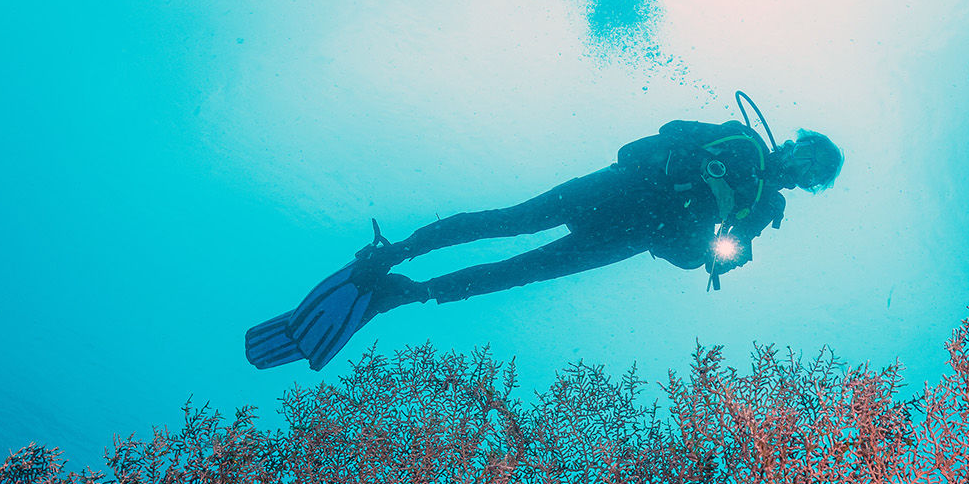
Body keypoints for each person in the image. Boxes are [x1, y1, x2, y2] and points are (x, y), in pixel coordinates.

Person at [246, 120, 843, 371]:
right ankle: (396, 253)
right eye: (806, 151)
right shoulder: (737, 137)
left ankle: (405, 293)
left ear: (810, 185)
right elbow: (648, 144)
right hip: (618, 191)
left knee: (522, 271)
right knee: (515, 221)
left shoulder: (764, 208)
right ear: (795, 141)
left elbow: (701, 254)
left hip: (632, 234)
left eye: (813, 171)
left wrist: (717, 256)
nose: (800, 164)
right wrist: (688, 169)